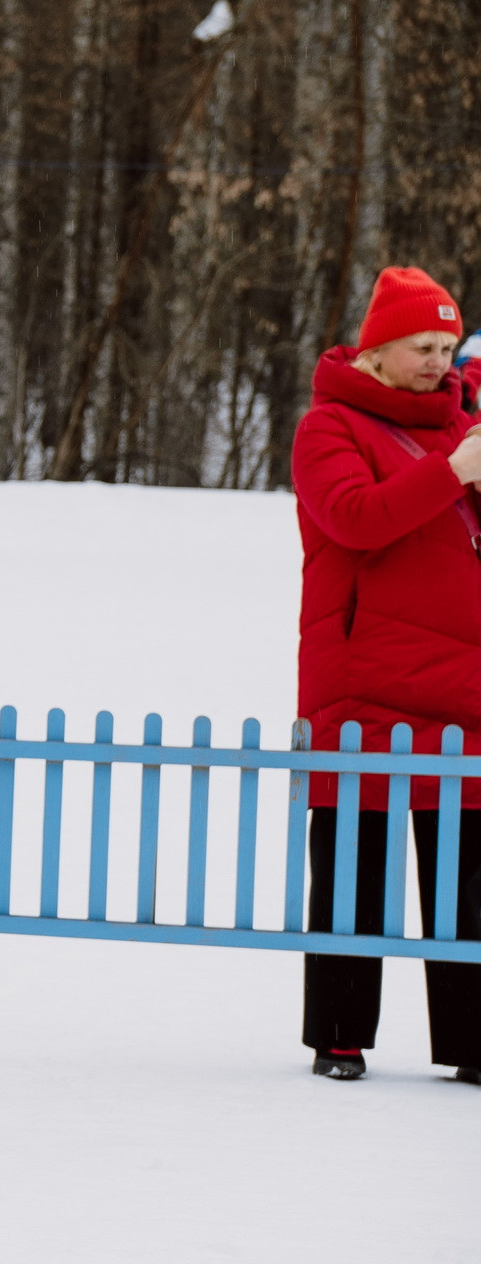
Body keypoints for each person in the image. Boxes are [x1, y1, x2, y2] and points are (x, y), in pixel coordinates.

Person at [291, 265, 481, 1084]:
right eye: (421, 347)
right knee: (353, 866)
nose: (439, 361)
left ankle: (472, 1040)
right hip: (361, 683)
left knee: (468, 878)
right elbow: (356, 520)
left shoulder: (457, 427)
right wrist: (454, 470)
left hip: (462, 684)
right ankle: (339, 1034)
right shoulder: (328, 426)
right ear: (376, 349)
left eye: (446, 346)